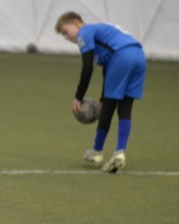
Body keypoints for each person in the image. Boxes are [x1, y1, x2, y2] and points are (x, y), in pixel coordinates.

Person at [55, 11, 147, 173]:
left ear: (76, 23)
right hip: (139, 56)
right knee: (125, 108)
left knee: (108, 108)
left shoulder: (84, 32)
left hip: (121, 56)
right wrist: (103, 98)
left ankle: (97, 151)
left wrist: (78, 97)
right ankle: (119, 153)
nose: (66, 37)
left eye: (65, 32)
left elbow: (87, 68)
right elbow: (107, 69)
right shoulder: (101, 31)